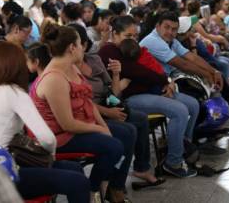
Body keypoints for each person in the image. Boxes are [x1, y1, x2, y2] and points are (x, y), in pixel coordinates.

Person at [30, 24, 130, 202]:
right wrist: (99, 130)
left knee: (125, 133)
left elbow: (87, 102)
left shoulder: (71, 68)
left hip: (75, 128)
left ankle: (108, 186)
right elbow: (66, 124)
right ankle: (93, 190)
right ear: (72, 48)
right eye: (80, 43)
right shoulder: (54, 78)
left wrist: (103, 126)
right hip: (59, 137)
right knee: (114, 146)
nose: (84, 47)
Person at [98, 16, 200, 178]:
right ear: (115, 34)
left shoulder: (129, 47)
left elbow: (149, 69)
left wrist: (165, 80)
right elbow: (138, 71)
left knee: (193, 104)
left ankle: (183, 148)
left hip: (150, 89)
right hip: (130, 97)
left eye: (135, 36)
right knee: (180, 110)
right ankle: (173, 162)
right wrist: (162, 79)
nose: (133, 40)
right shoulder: (108, 51)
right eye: (128, 36)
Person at [70, 23, 165, 188]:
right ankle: (113, 186)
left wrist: (116, 74)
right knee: (127, 132)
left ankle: (139, 168)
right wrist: (108, 112)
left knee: (139, 119)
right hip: (88, 114)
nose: (134, 40)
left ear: (84, 45)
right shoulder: (67, 70)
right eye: (129, 36)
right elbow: (81, 104)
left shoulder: (94, 60)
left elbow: (113, 93)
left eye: (76, 45)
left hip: (105, 106)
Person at [0, 41, 91, 203]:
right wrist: (50, 157)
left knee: (73, 168)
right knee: (79, 182)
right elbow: (47, 138)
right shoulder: (14, 93)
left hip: (7, 163)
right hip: (4, 176)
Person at [140, 11, 229, 104]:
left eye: (174, 29)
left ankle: (222, 105)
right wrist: (207, 74)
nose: (170, 32)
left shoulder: (171, 40)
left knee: (215, 72)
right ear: (158, 26)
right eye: (166, 27)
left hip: (168, 78)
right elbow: (183, 64)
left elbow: (192, 58)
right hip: (154, 84)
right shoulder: (153, 41)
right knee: (195, 98)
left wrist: (214, 72)